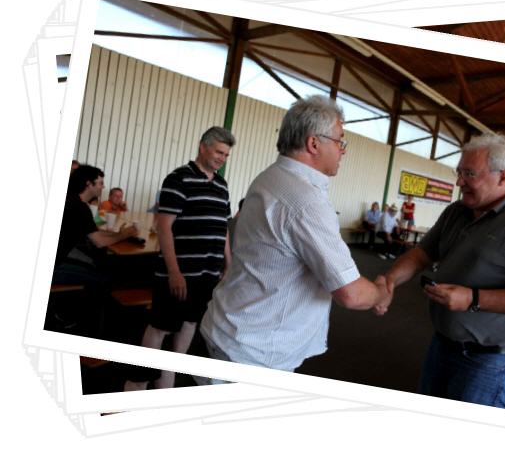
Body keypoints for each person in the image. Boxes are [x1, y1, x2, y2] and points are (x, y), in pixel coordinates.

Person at [199, 95, 390, 376]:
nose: (343, 150)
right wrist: (380, 293)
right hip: (255, 354)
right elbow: (350, 293)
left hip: (229, 329)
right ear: (314, 144)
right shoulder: (306, 202)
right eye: (340, 141)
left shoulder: (269, 177)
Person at [376, 133, 505, 409]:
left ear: (503, 177)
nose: (459, 182)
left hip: (489, 363)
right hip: (442, 346)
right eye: (459, 172)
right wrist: (390, 280)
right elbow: (422, 253)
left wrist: (473, 298)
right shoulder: (456, 212)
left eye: (469, 174)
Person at [126, 126, 236, 390]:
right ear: (203, 147)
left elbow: (223, 227)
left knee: (189, 324)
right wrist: (174, 271)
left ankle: (166, 384)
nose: (222, 158)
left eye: (226, 155)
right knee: (160, 328)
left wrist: (229, 264)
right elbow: (164, 227)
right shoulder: (178, 179)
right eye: (219, 152)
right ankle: (137, 385)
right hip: (180, 274)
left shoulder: (222, 186)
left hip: (207, 274)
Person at [48, 165, 138, 337]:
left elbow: (94, 232)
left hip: (58, 256)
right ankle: (87, 327)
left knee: (95, 264)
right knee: (103, 277)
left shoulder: (73, 200)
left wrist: (119, 234)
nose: (103, 187)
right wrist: (124, 234)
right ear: (88, 184)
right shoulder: (80, 208)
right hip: (55, 265)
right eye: (100, 183)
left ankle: (67, 314)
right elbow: (99, 242)